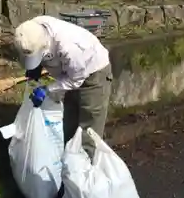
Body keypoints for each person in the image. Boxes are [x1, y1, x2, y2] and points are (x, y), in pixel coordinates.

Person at [13, 15, 112, 158]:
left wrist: (47, 90)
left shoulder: (69, 47)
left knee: (88, 131)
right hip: (69, 71)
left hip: (93, 73)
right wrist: (36, 67)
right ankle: (67, 167)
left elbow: (75, 80)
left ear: (45, 45)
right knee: (69, 125)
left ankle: (85, 174)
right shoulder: (30, 30)